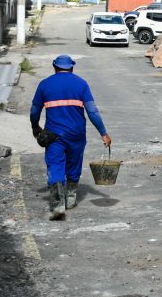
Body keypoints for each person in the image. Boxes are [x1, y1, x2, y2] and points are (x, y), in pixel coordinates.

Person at [30, 55, 111, 221]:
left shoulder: (45, 84)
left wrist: (35, 126)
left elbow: (34, 110)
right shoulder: (81, 84)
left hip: (54, 135)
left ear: (54, 67)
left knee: (55, 165)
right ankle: (71, 199)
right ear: (72, 68)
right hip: (76, 134)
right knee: (74, 164)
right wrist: (103, 133)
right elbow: (92, 111)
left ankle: (58, 205)